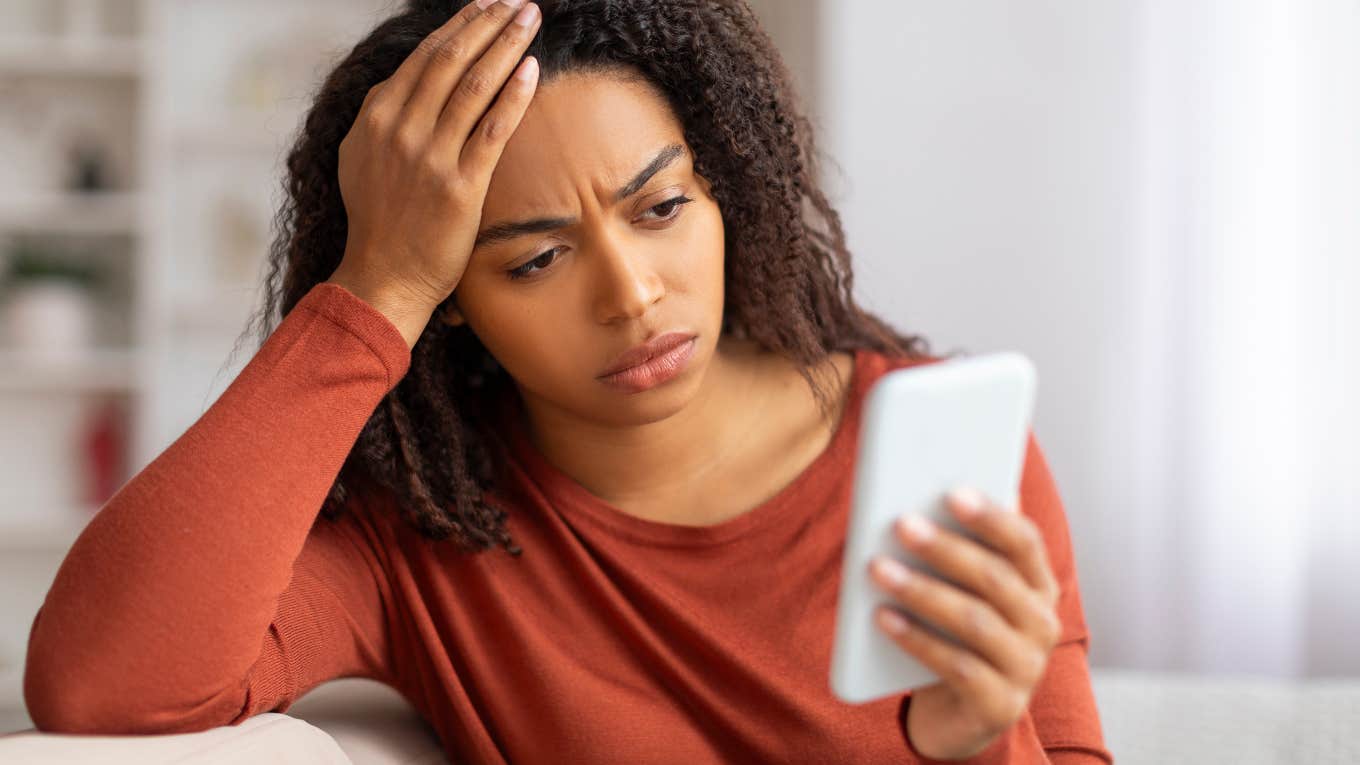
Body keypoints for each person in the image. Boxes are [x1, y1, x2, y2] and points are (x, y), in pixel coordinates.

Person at [23, 0, 1112, 762]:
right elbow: (106, 686)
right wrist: (375, 289)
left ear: (723, 185)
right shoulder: (426, 538)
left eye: (661, 209)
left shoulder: (947, 461)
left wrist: (973, 742)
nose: (632, 296)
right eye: (534, 259)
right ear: (453, 294)